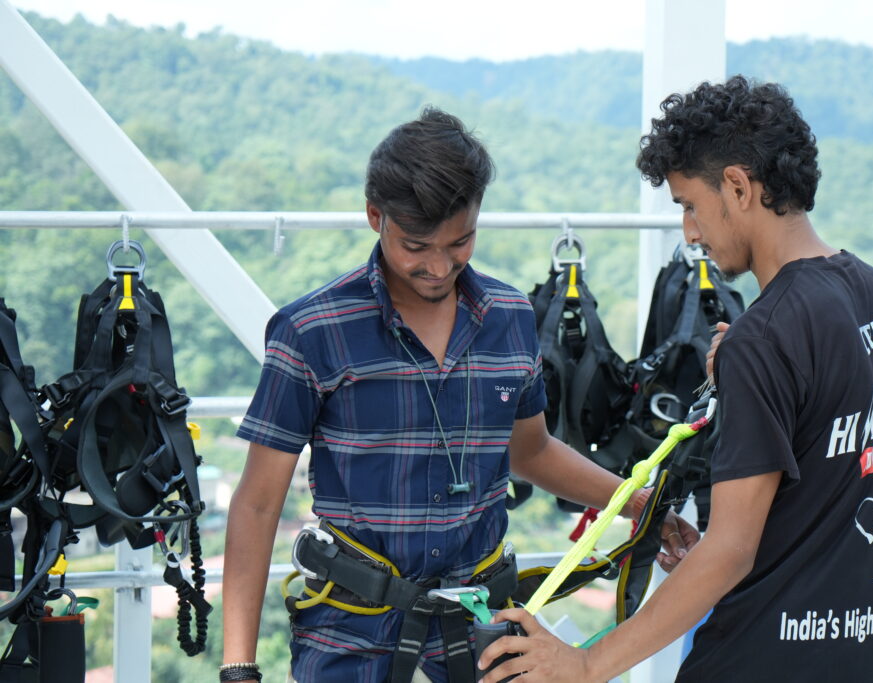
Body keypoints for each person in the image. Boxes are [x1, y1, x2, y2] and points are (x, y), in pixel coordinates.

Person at [479, 75, 873, 682]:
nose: (690, 232)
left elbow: (730, 549)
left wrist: (587, 665)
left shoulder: (764, 336)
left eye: (690, 205)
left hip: (763, 661)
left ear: (738, 186)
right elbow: (843, 466)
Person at [220, 107, 693, 683]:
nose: (439, 266)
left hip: (482, 632)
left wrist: (639, 505)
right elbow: (258, 502)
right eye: (416, 246)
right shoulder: (313, 331)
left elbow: (531, 451)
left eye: (460, 241)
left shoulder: (511, 316)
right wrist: (238, 667)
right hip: (351, 636)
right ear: (376, 216)